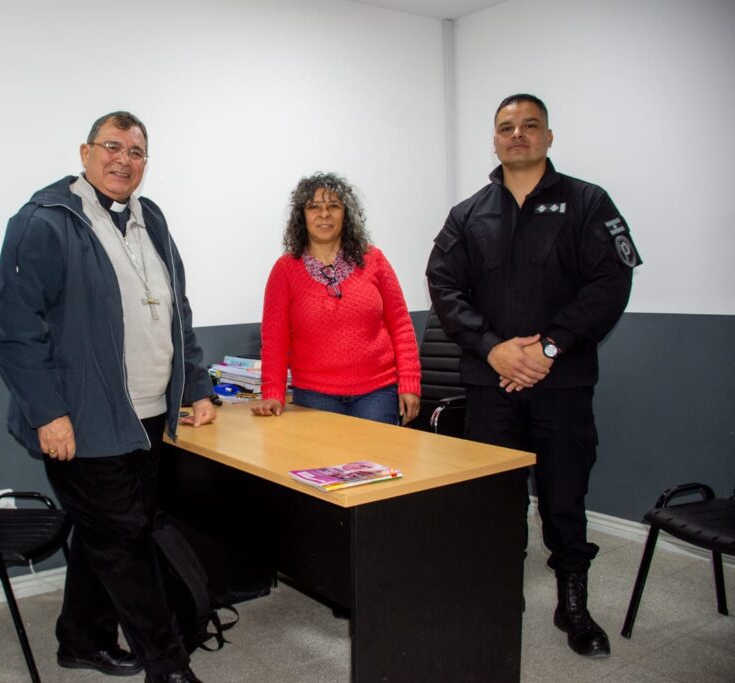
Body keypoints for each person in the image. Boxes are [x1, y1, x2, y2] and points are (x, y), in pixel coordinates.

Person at [0, 111, 216, 683]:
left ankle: (81, 639)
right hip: (83, 420)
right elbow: (17, 332)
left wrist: (196, 385)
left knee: (107, 533)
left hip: (149, 416)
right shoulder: (45, 221)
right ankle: (167, 665)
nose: (123, 159)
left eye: (136, 151)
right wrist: (49, 413)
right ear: (86, 152)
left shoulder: (152, 219)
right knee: (124, 541)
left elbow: (176, 311)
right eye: (112, 147)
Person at [426, 93, 641, 658]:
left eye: (529, 125)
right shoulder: (468, 214)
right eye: (505, 127)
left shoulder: (589, 203)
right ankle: (500, 597)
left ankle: (574, 606)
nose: (516, 134)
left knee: (563, 496)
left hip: (562, 385)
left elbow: (610, 285)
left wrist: (549, 347)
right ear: (493, 140)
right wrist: (495, 349)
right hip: (489, 385)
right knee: (495, 500)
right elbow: (444, 289)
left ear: (548, 136)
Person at [252, 173, 421, 426]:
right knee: (321, 465)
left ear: (346, 214)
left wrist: (410, 382)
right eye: (314, 207)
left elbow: (401, 325)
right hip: (314, 397)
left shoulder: (374, 260)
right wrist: (273, 394)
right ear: (302, 216)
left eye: (333, 206)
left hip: (377, 394)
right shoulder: (285, 269)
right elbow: (274, 338)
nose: (324, 214)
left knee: (377, 466)